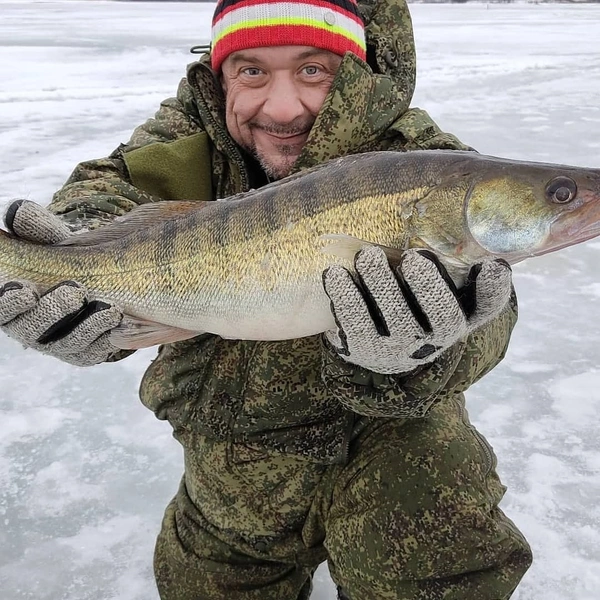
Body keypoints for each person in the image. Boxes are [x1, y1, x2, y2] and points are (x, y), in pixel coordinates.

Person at [0, 0, 533, 598]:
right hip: (230, 470)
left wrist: (433, 345)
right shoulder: (185, 140)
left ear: (357, 74)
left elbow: (495, 306)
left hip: (402, 460)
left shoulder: (425, 162)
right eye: (252, 71)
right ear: (220, 76)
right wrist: (65, 257)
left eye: (314, 70)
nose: (282, 108)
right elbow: (107, 194)